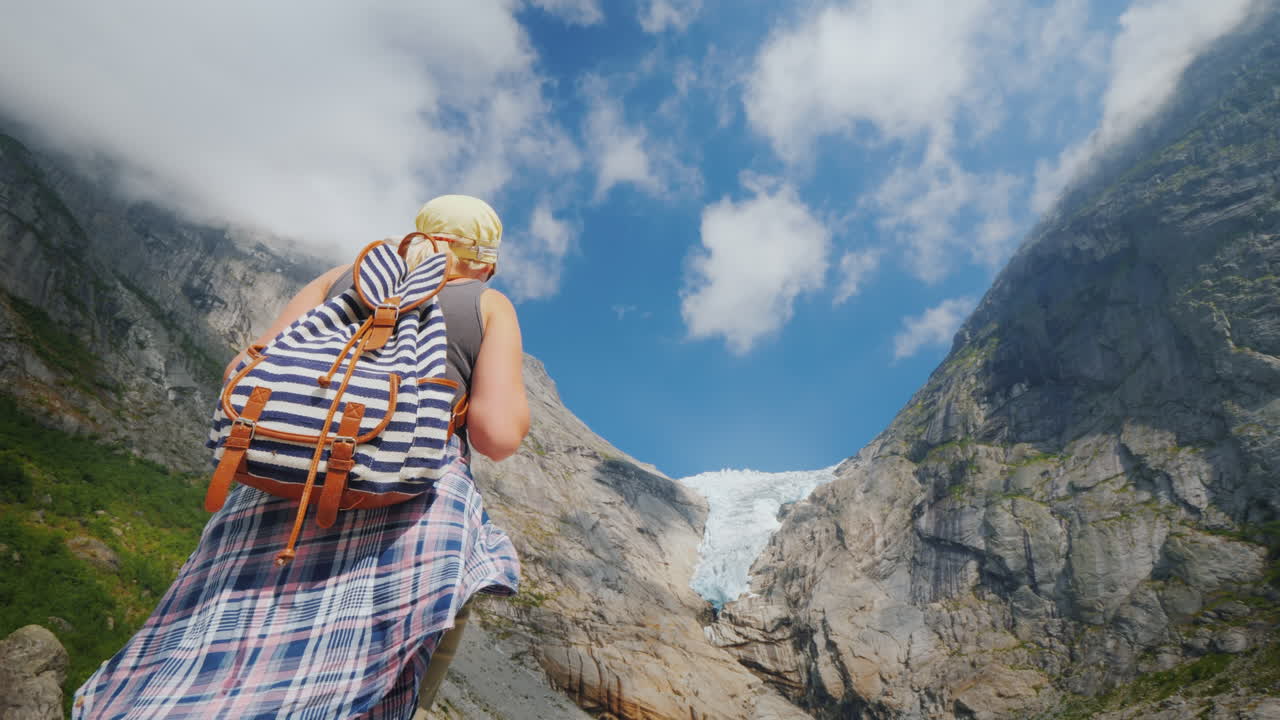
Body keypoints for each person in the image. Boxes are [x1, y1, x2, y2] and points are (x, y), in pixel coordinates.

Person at [73, 195, 529, 719]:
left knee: (205, 662)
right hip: (407, 504)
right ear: (486, 263)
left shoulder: (341, 277)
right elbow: (496, 435)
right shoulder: (486, 303)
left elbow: (241, 374)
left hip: (277, 488)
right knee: (365, 683)